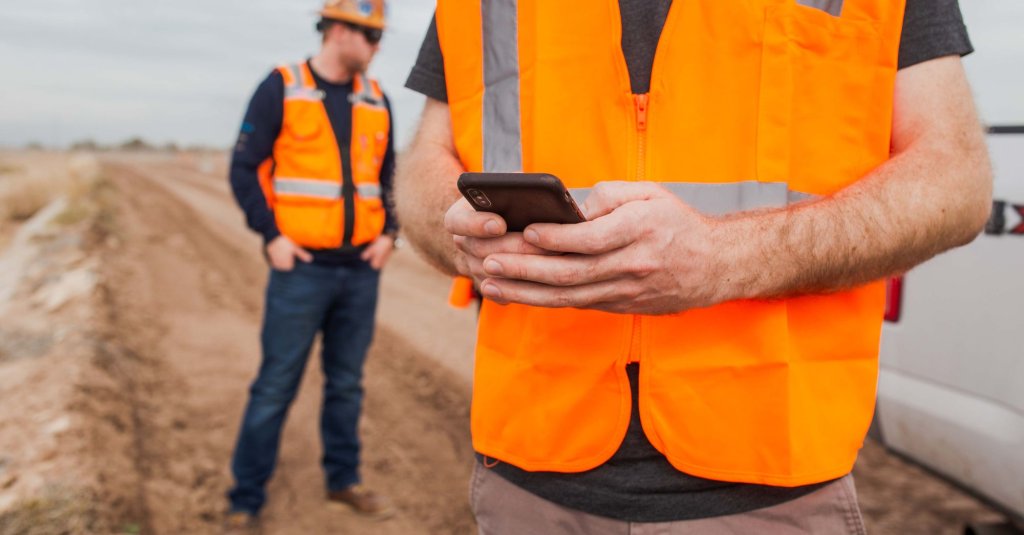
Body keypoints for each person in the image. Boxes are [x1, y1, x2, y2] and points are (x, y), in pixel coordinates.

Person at [396, 1, 991, 533]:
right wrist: (461, 231)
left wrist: (725, 258)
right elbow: (426, 157)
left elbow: (954, 177)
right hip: (527, 480)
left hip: (769, 488)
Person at [224, 0, 397, 530]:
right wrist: (271, 235)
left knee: (346, 383)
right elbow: (244, 166)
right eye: (369, 36)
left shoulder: (377, 98)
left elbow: (389, 178)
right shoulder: (282, 86)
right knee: (276, 382)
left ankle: (343, 480)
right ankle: (245, 497)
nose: (376, 48)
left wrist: (391, 233)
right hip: (301, 269)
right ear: (340, 30)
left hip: (360, 272)